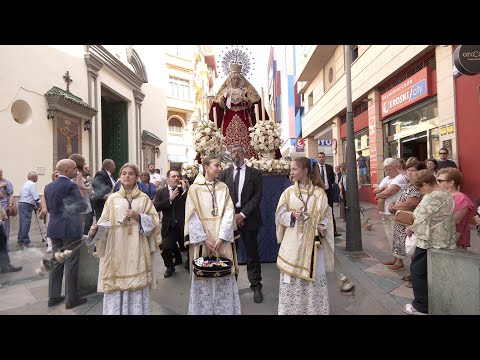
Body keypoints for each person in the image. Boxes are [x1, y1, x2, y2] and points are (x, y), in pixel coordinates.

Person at [90, 163, 161, 315]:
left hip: (137, 249)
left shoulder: (144, 199)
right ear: (120, 178)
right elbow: (105, 222)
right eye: (124, 173)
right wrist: (97, 229)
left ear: (136, 178)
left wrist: (139, 217)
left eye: (131, 173)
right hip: (116, 248)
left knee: (136, 284)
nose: (127, 176)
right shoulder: (112, 199)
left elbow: (155, 222)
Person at [275, 157, 334, 315]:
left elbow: (326, 216)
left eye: (294, 169)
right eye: (291, 169)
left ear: (305, 171)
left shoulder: (319, 193)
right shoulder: (288, 193)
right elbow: (280, 217)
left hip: (312, 245)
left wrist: (322, 226)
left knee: (312, 279)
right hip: (292, 244)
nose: (291, 172)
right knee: (292, 280)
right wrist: (292, 215)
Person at [184, 155, 241, 315]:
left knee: (223, 276)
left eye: (220, 166)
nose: (220, 168)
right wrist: (204, 240)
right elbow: (191, 215)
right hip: (203, 240)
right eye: (216, 165)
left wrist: (222, 238)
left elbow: (230, 211)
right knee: (204, 277)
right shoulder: (194, 189)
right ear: (206, 167)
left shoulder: (224, 187)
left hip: (222, 239)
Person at [403, 169, 456, 315]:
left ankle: (421, 307)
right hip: (443, 240)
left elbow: (420, 219)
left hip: (429, 241)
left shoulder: (431, 196)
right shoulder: (446, 194)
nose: (420, 192)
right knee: (434, 274)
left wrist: (411, 229)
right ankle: (435, 303)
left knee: (418, 272)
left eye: (419, 188)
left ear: (426, 185)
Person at [219, 143, 264, 303]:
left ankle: (256, 287)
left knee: (252, 254)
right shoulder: (224, 174)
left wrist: (243, 215)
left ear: (244, 154)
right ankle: (231, 287)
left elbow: (257, 197)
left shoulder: (255, 174)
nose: (235, 154)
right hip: (230, 220)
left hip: (250, 219)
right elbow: (222, 197)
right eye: (233, 152)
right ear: (230, 155)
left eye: (238, 151)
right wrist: (234, 216)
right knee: (231, 254)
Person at [209, 63, 279, 160]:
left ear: (240, 80)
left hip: (244, 118)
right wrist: (223, 101)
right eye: (234, 79)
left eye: (238, 79)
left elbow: (254, 106)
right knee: (228, 141)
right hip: (228, 119)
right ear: (230, 80)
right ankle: (227, 159)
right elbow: (219, 106)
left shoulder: (246, 92)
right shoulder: (225, 91)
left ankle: (249, 159)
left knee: (247, 140)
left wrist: (247, 101)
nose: (236, 81)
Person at [44, 159, 87, 309]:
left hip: (54, 229)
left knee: (56, 262)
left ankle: (54, 297)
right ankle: (71, 299)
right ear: (67, 171)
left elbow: (49, 209)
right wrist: (82, 190)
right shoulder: (71, 186)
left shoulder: (48, 187)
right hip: (70, 229)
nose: (77, 171)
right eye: (75, 169)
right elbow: (82, 207)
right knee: (71, 263)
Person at [386, 159, 425, 275]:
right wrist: (395, 205)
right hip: (400, 217)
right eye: (408, 170)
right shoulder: (409, 184)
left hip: (408, 219)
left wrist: (395, 206)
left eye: (412, 170)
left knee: (407, 243)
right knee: (398, 239)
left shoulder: (418, 186)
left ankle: (402, 264)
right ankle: (396, 260)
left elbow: (411, 203)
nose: (409, 173)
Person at [154, 168, 189, 278]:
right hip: (168, 226)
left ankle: (187, 262)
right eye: (173, 176)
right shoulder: (161, 192)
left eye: (178, 176)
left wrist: (185, 191)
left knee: (188, 246)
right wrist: (169, 199)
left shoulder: (183, 191)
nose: (176, 178)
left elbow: (190, 204)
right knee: (165, 248)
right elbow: (156, 207)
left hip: (182, 226)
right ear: (168, 178)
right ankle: (170, 267)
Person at [375, 158, 407, 260]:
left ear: (395, 167)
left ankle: (399, 261)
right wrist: (380, 190)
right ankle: (395, 258)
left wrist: (379, 194)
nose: (387, 171)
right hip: (385, 211)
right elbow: (375, 191)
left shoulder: (400, 178)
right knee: (390, 236)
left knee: (397, 237)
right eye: (386, 169)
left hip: (395, 212)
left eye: (389, 169)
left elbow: (390, 192)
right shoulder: (385, 179)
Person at [436, 168, 475, 249]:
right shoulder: (443, 196)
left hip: (454, 240)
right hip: (442, 237)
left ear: (451, 182)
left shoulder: (460, 198)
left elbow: (455, 220)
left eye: (440, 180)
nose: (437, 183)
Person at [317, 152, 341, 237]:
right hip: (318, 194)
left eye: (323, 157)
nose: (321, 158)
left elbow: (333, 180)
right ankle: (319, 230)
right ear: (317, 158)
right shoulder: (315, 168)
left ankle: (333, 231)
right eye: (319, 157)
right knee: (319, 211)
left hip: (328, 193)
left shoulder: (329, 168)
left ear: (325, 158)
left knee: (330, 212)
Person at [17, 171, 41, 247]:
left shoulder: (25, 184)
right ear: (33, 177)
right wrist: (39, 205)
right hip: (26, 205)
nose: (37, 178)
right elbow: (35, 196)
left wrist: (33, 205)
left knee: (23, 223)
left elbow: (26, 196)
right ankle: (25, 241)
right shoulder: (32, 184)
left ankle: (20, 240)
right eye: (36, 176)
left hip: (22, 204)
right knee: (26, 223)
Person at [39, 171, 59, 252]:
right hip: (51, 211)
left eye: (59, 175)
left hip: (60, 211)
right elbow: (43, 197)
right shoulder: (48, 186)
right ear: (53, 177)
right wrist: (44, 208)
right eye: (56, 175)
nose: (57, 177)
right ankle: (50, 245)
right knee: (49, 227)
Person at [0, 169, 14, 250]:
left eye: (1, 172)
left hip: (4, 208)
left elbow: (11, 194)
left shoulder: (6, 182)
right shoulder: (3, 184)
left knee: (5, 228)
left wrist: (10, 204)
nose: (0, 173)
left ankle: (5, 249)